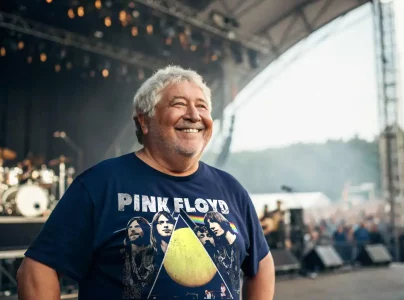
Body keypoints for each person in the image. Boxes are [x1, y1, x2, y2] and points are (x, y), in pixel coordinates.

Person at [16, 65, 274, 300]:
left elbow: (261, 263)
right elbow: (37, 269)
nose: (194, 115)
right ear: (144, 121)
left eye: (203, 106)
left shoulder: (230, 189)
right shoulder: (101, 183)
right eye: (179, 104)